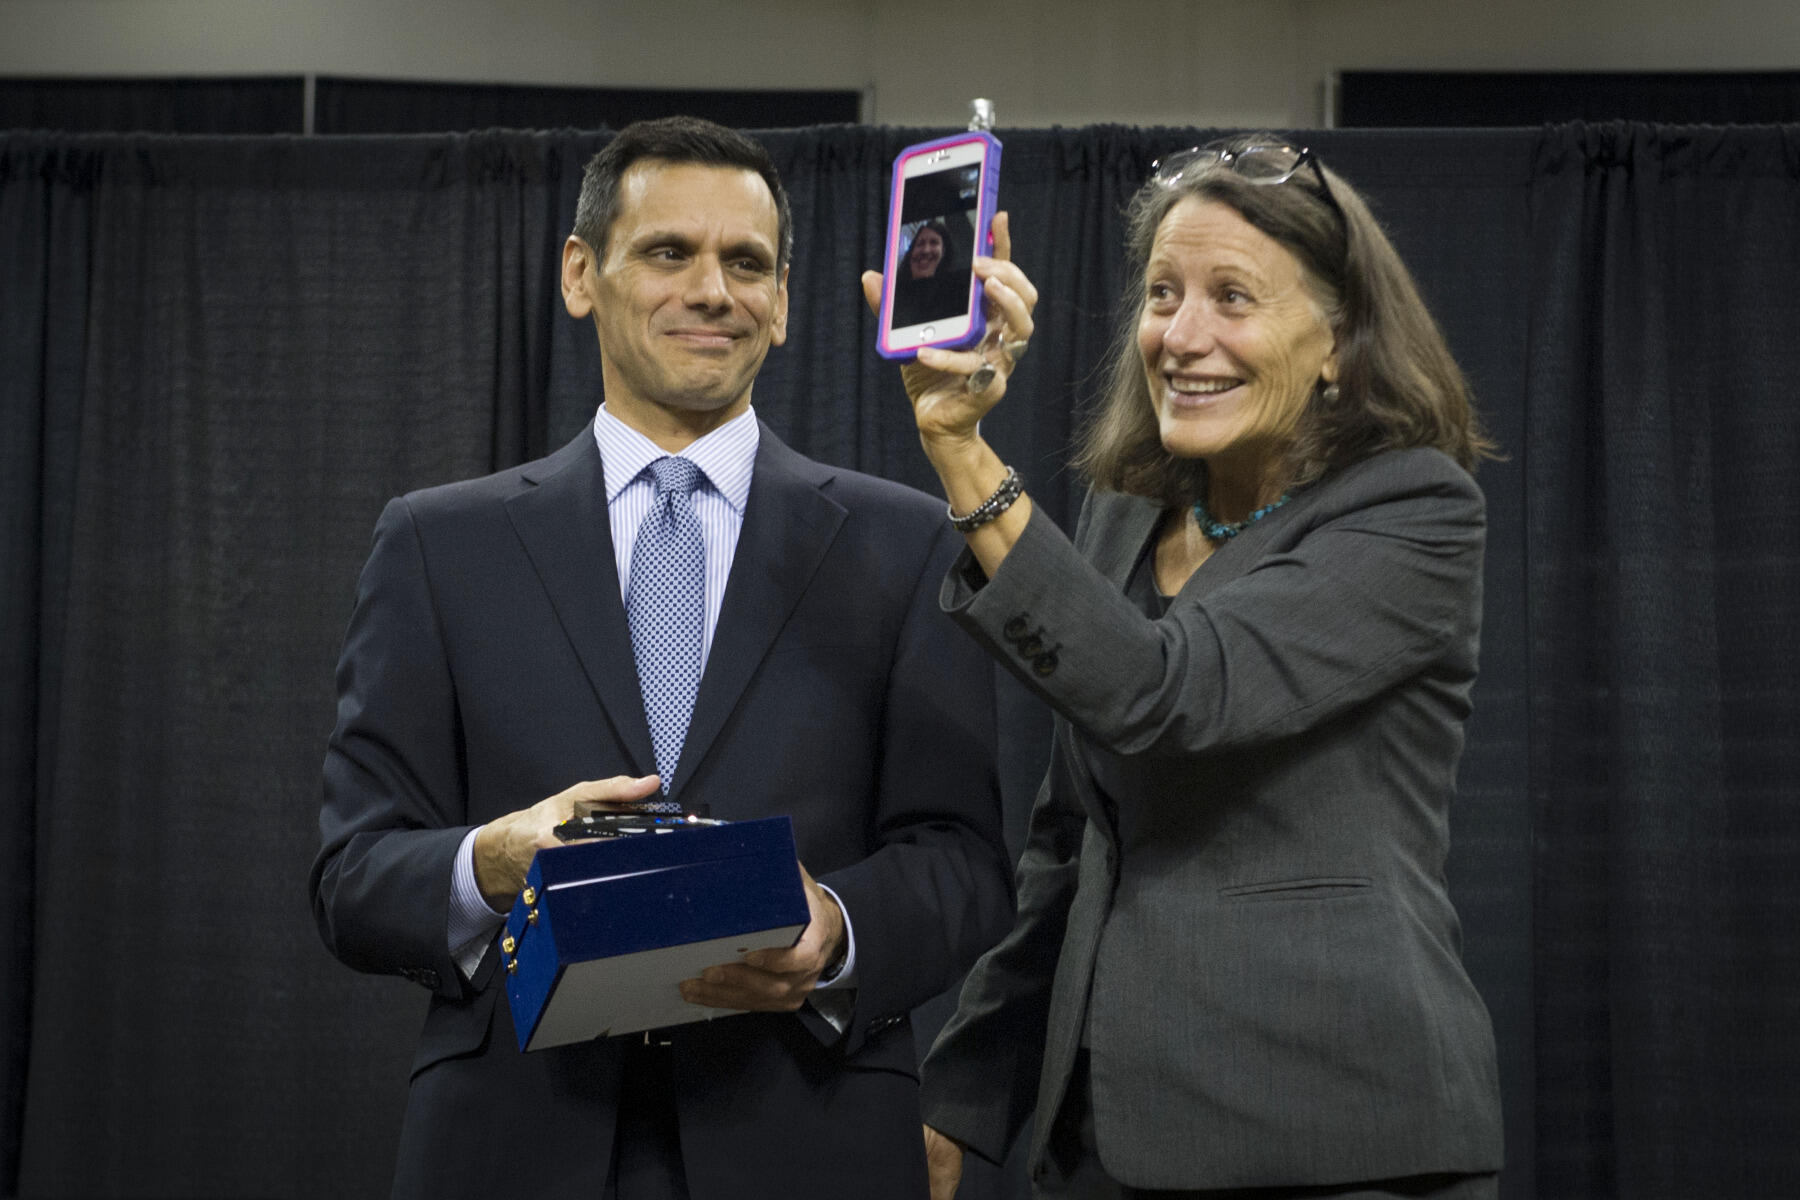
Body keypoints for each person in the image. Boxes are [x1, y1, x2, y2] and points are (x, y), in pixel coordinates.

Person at [311, 116, 1013, 1200]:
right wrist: (494, 862)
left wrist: (834, 929)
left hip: (807, 1139)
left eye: (747, 264)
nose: (713, 291)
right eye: (669, 253)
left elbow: (964, 863)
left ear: (782, 303)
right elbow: (351, 877)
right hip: (515, 1142)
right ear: (581, 275)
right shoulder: (437, 543)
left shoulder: (908, 540)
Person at [862, 134, 1505, 1198]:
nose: (1182, 335)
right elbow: (1076, 843)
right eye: (1163, 294)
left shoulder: (1416, 514)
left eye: (1233, 298)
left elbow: (1168, 693)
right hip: (1104, 1146)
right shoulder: (1123, 519)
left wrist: (963, 453)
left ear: (1337, 340)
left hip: (1332, 1143)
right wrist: (967, 1094)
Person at [891, 219, 971, 329]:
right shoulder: (895, 294)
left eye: (934, 242)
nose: (926, 250)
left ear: (943, 252)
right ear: (911, 252)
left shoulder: (957, 297)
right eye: (920, 243)